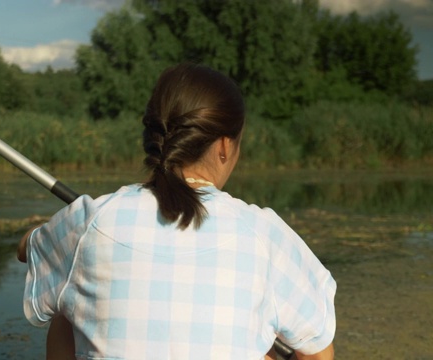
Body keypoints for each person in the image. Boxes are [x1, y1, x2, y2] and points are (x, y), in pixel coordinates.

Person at [18, 63, 336, 359]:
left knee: (66, 309)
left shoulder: (92, 220)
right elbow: (318, 350)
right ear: (225, 146)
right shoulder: (265, 233)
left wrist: (40, 236)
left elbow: (25, 251)